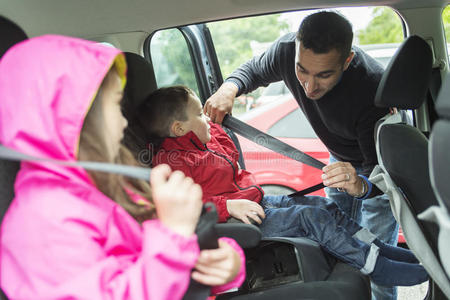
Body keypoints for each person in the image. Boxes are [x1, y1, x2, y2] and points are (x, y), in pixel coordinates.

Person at [0, 35, 245, 299]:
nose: (124, 122)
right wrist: (173, 237)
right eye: (117, 105)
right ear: (76, 117)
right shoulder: (42, 224)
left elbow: (165, 253)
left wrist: (224, 260)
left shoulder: (113, 185)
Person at [127, 85, 428, 288]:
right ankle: (377, 266)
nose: (206, 119)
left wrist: (214, 121)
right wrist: (227, 206)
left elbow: (225, 150)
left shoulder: (205, 141)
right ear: (179, 128)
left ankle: (378, 248)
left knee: (325, 205)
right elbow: (180, 204)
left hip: (258, 200)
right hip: (239, 218)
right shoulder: (174, 162)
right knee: (312, 218)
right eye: (199, 115)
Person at [203, 11, 399, 299]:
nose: (308, 86)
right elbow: (253, 71)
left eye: (324, 75)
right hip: (335, 162)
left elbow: (376, 175)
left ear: (347, 60)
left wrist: (361, 185)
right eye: (302, 70)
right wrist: (228, 89)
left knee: (376, 261)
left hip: (374, 170)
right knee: (339, 248)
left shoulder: (371, 87)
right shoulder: (285, 51)